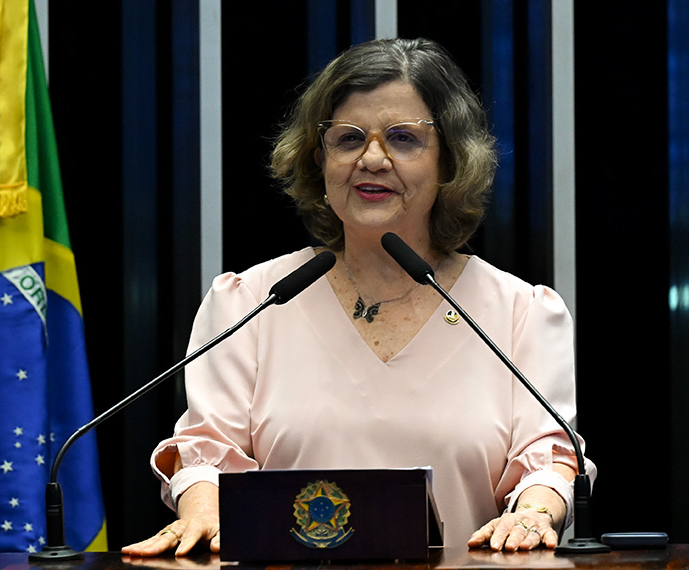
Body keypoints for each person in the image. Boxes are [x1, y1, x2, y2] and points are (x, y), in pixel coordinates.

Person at [122, 37, 595, 557]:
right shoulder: (251, 303)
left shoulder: (519, 313)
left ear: (449, 163)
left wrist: (533, 512)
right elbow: (208, 451)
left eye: (402, 139)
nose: (372, 158)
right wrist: (205, 506)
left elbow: (548, 458)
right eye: (348, 139)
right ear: (318, 159)